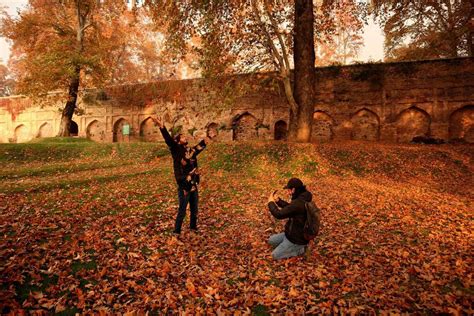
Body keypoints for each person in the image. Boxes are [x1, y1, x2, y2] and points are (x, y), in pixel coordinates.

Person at [153, 116, 210, 235]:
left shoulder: (189, 150)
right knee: (182, 210)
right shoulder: (176, 149)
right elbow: (168, 139)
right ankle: (176, 232)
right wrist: (162, 127)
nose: (185, 137)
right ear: (178, 140)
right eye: (183, 137)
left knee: (194, 210)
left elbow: (198, 148)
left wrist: (207, 138)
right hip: (184, 185)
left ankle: (193, 229)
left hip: (193, 184)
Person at [267, 178, 312, 260]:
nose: (288, 193)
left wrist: (270, 203)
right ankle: (287, 245)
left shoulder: (299, 203)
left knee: (274, 256)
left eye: (288, 190)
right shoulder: (302, 198)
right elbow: (290, 209)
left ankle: (300, 249)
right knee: (271, 241)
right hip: (290, 234)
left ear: (293, 189)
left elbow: (279, 214)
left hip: (296, 240)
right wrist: (278, 201)